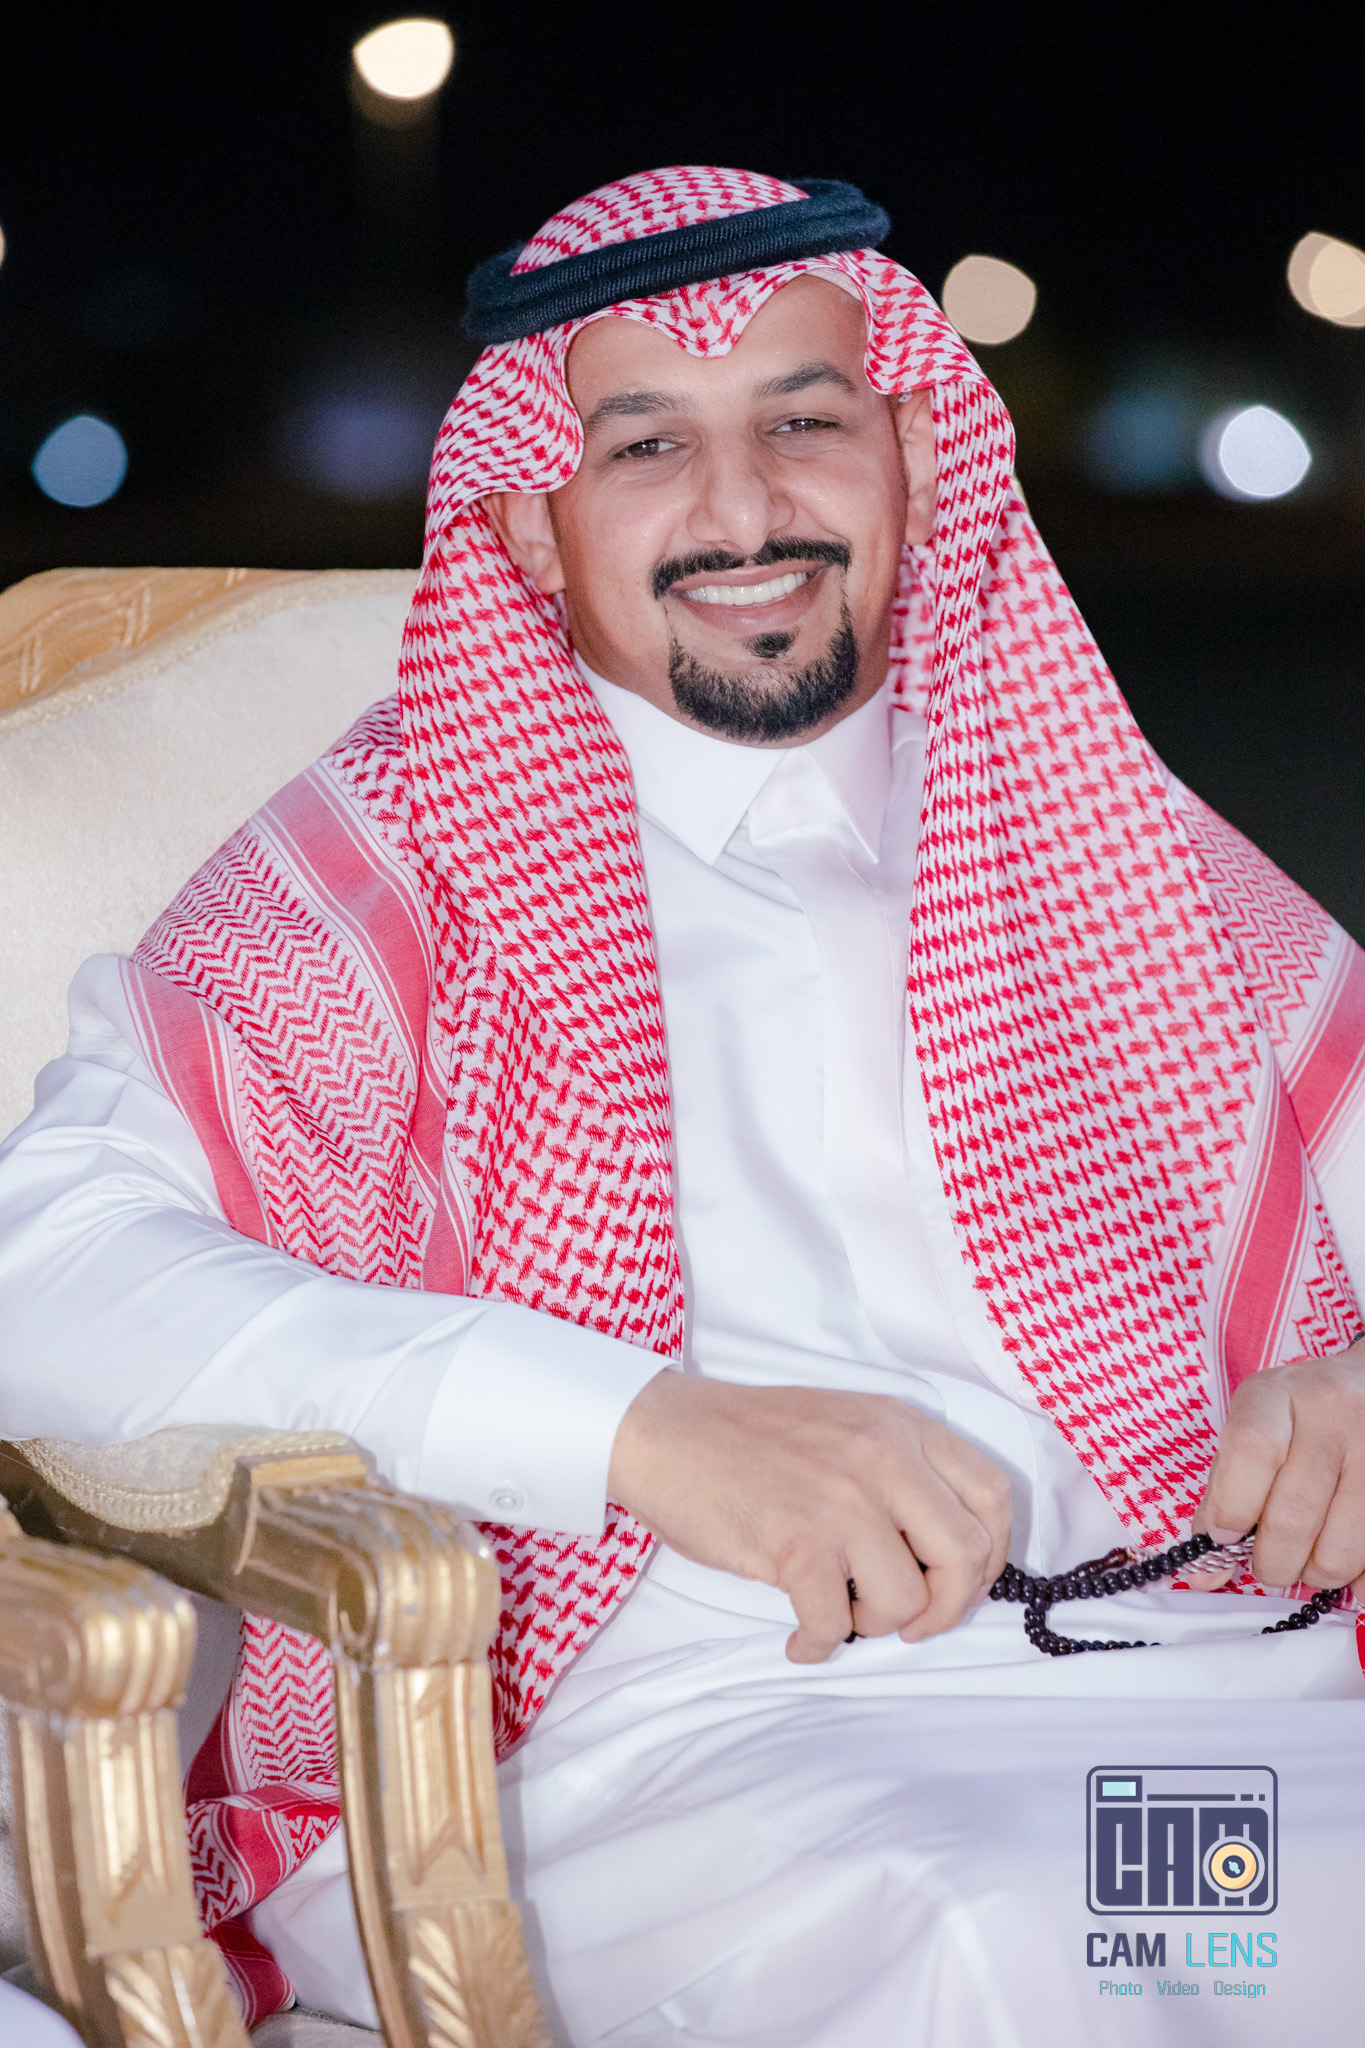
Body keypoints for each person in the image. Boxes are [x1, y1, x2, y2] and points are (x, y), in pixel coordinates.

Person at [2, 167, 1364, 2046]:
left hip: (1237, 1690)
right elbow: (45, 1277)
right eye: (646, 445)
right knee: (1059, 1944)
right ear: (531, 519)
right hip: (681, 1746)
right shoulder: (387, 873)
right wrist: (633, 1429)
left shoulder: (1116, 845)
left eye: (805, 422)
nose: (742, 511)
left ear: (912, 461)